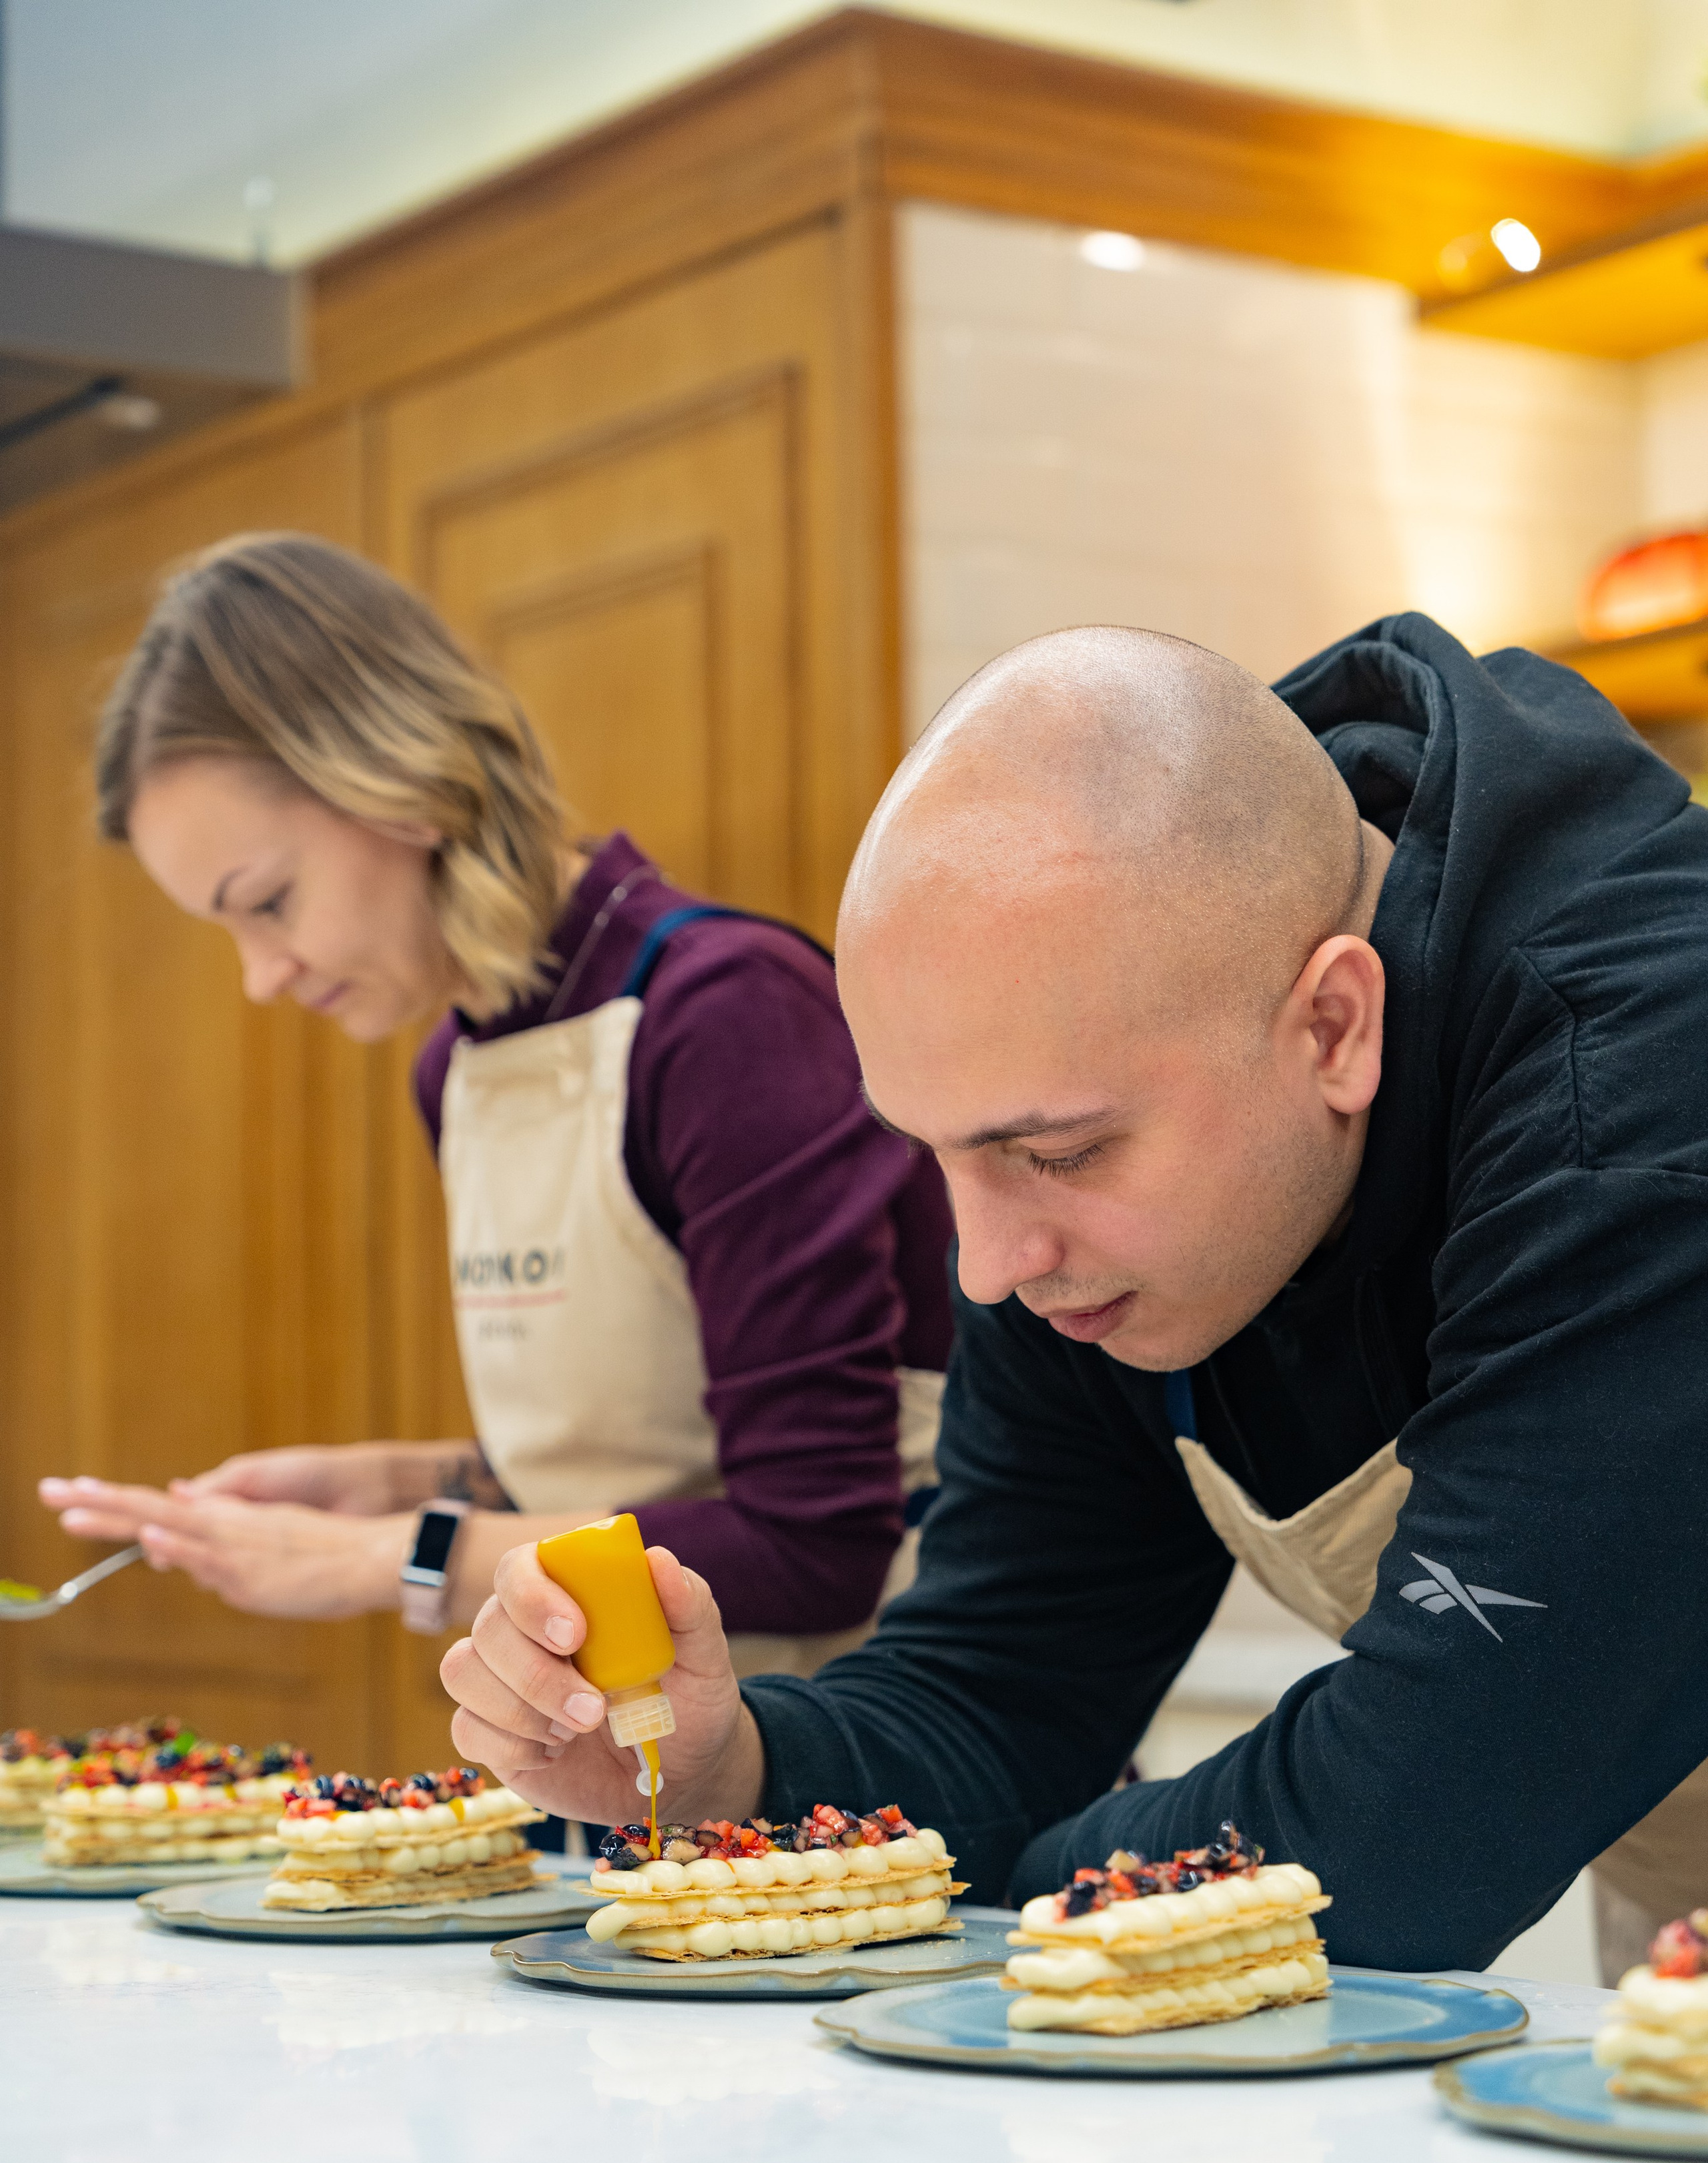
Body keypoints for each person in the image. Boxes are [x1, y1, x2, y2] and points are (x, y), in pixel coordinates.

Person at [440, 612, 1708, 1980]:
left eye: (1058, 1155)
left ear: (1333, 1026)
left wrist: (990, 1878)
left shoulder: (1641, 1096)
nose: (986, 1265)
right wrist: (728, 1772)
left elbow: (1415, 1823)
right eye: (941, 1157)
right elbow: (1000, 1691)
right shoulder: (1094, 1092)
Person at [41, 534, 951, 1667]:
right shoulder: (456, 1071)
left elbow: (813, 1547)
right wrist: (390, 1483)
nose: (260, 977)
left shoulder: (728, 1017)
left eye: (268, 902)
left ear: (405, 785)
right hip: (653, 1738)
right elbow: (639, 1467)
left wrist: (386, 1555)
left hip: (872, 1738)